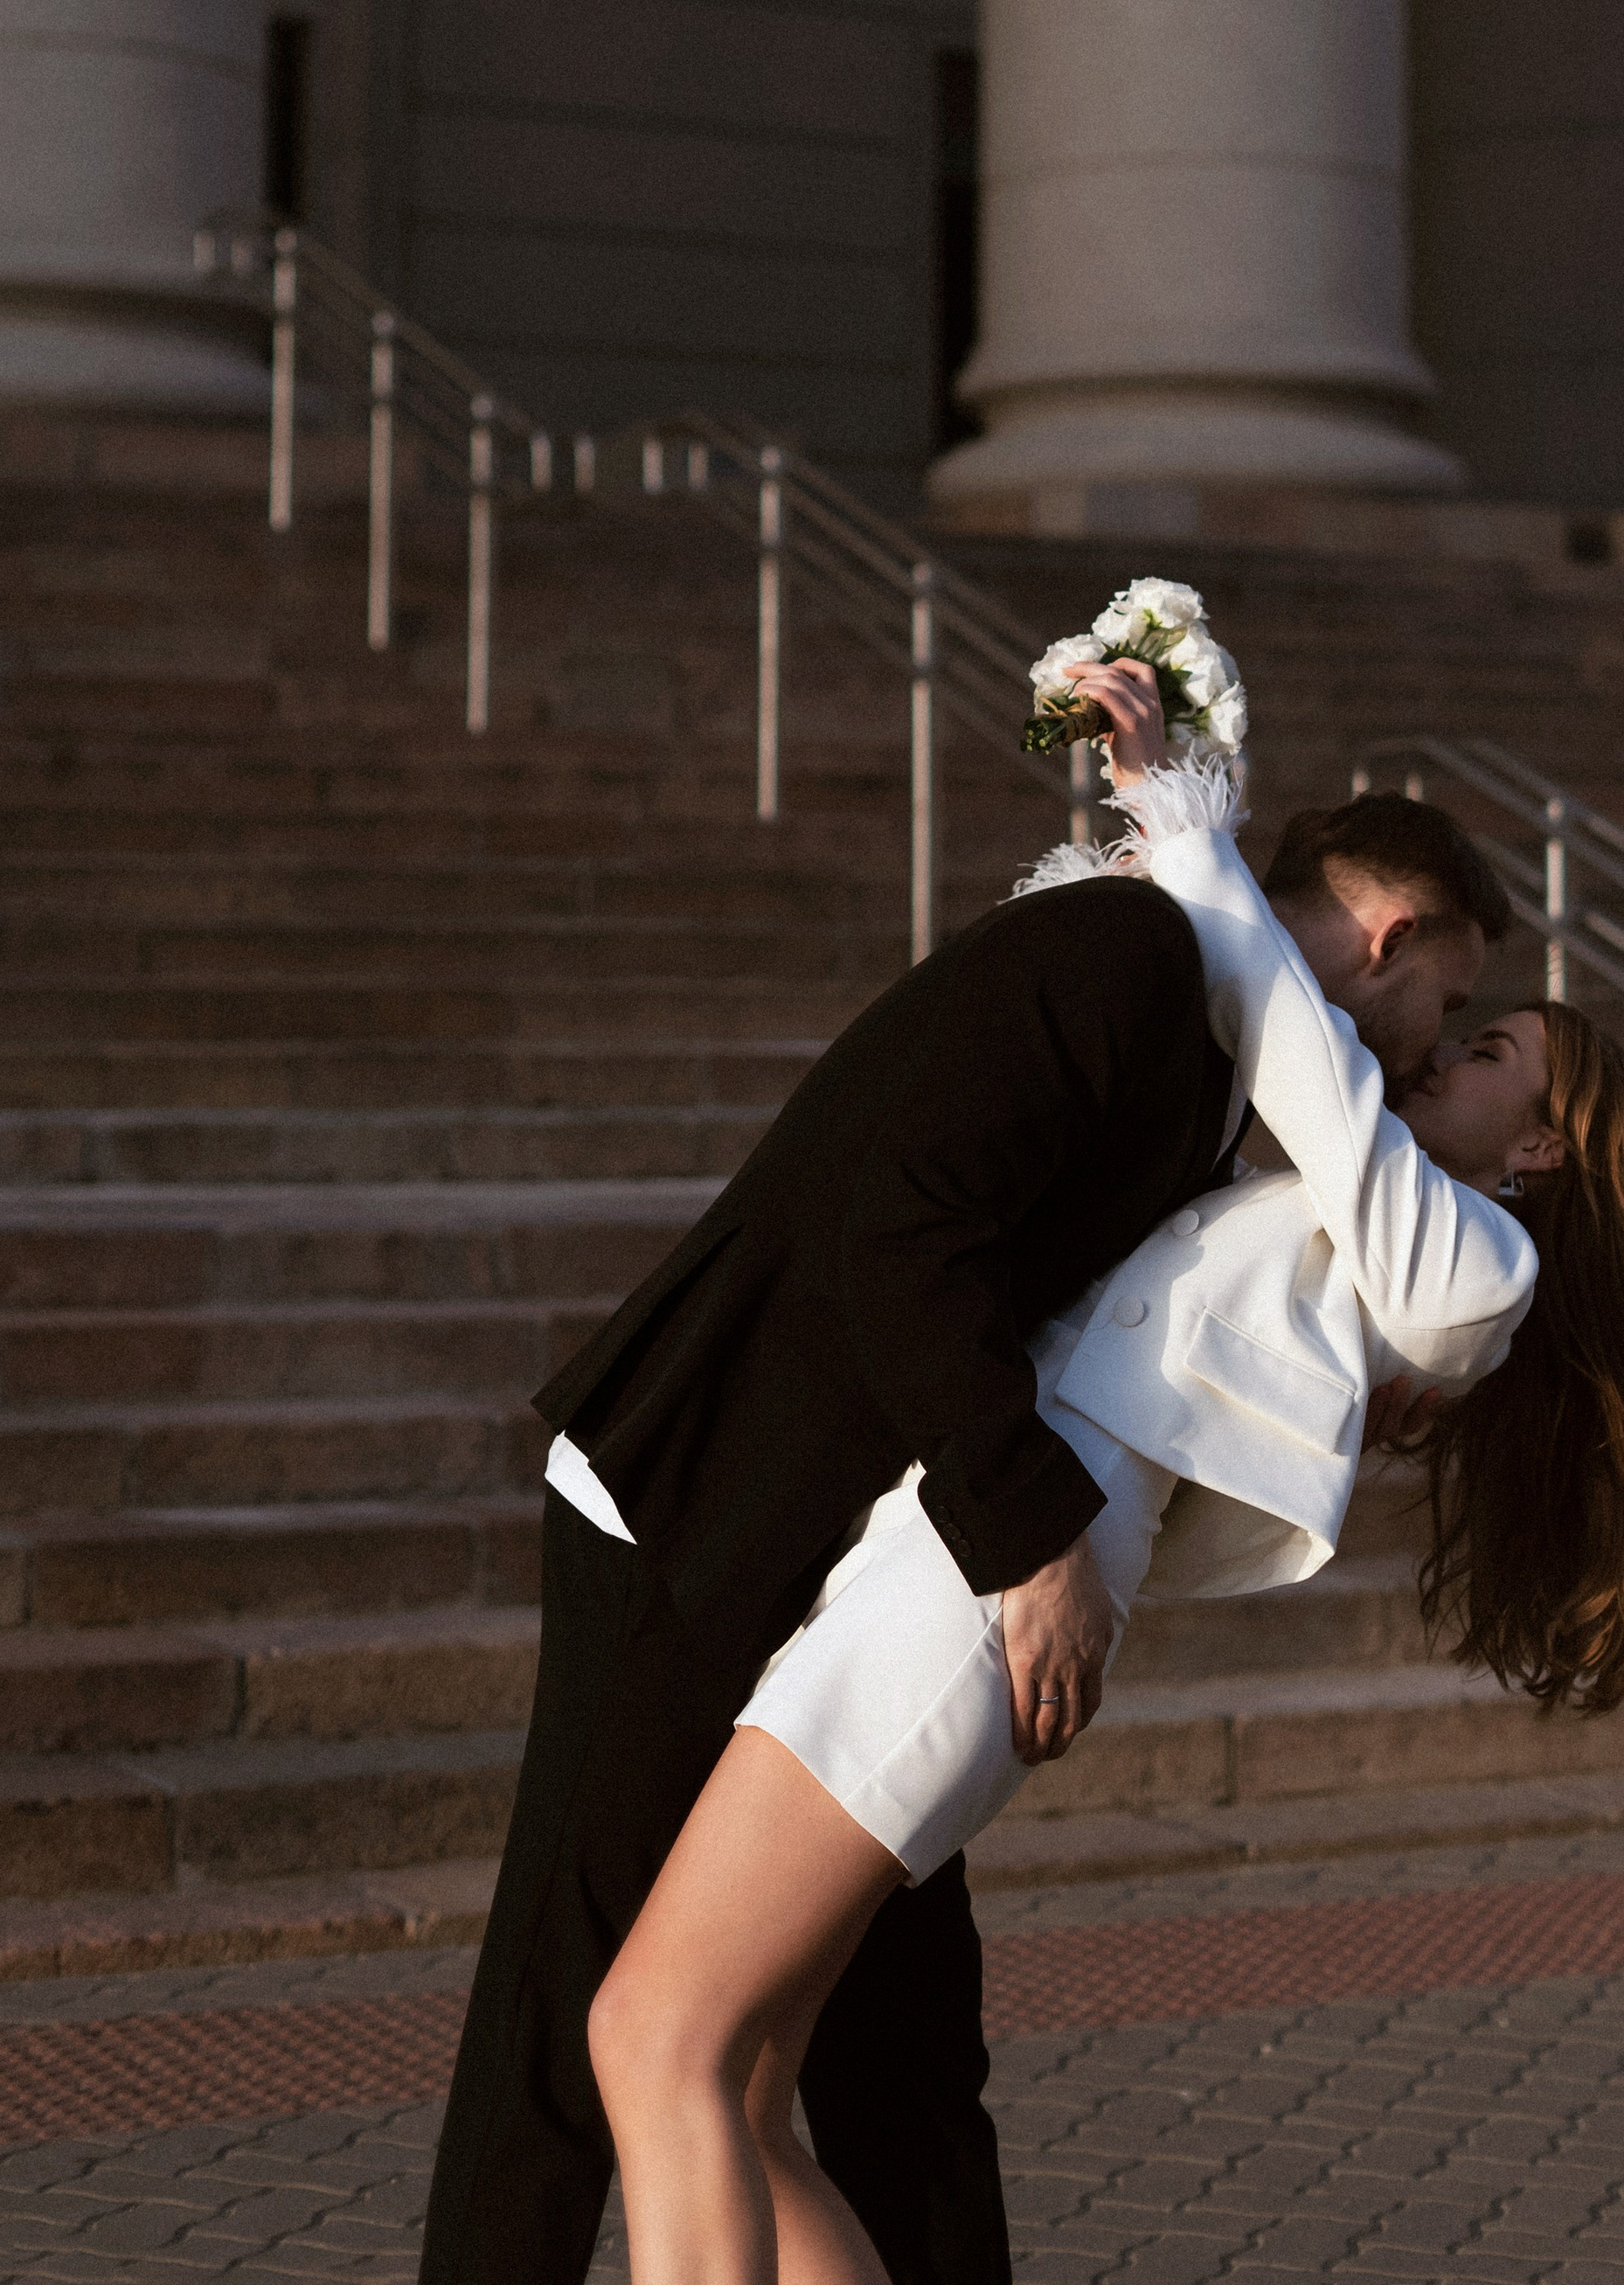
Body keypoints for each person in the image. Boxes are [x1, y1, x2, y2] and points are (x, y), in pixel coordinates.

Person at [415, 698, 1508, 2285]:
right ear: (1390, 935)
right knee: (580, 2024)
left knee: (899, 2062)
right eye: (1450, 1002)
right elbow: (894, 1229)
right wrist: (1034, 1538)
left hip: (857, 1566)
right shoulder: (1130, 957)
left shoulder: (1226, 1062)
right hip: (697, 1500)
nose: (1426, 1050)